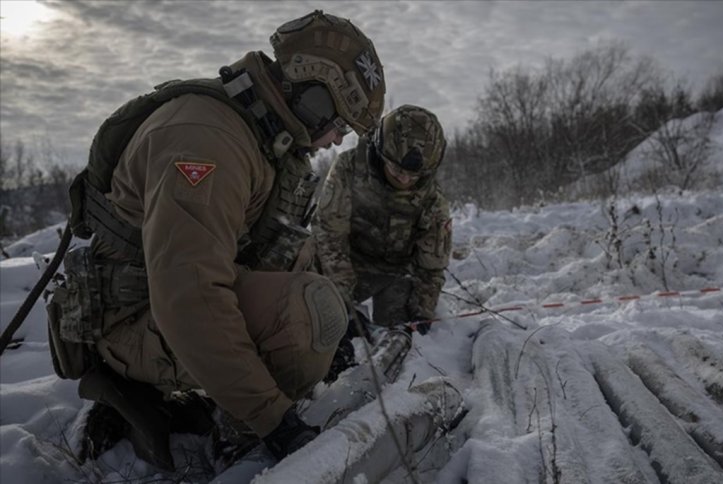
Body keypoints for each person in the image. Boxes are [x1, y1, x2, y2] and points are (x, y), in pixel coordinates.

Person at [47, 10, 385, 469]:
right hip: (131, 320)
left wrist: (342, 322)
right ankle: (215, 428)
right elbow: (190, 294)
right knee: (310, 314)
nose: (334, 140)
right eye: (339, 125)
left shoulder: (260, 136)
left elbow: (280, 248)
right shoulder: (208, 141)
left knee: (323, 307)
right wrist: (274, 419)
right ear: (314, 99)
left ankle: (222, 393)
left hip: (162, 305)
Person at [313, 105, 452, 354]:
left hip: (395, 273)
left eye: (414, 175)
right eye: (398, 170)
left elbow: (432, 267)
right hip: (344, 263)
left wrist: (423, 311)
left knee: (398, 338)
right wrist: (343, 303)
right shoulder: (348, 168)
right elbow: (329, 235)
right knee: (323, 318)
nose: (405, 180)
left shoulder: (433, 200)